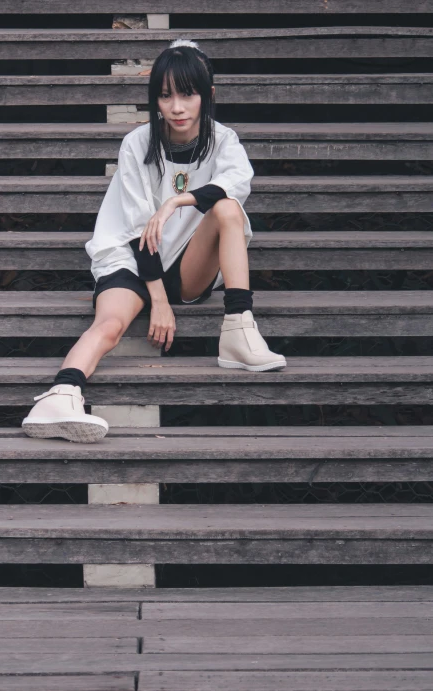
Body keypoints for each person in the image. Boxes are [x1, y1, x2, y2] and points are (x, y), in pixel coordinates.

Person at [22, 38, 286, 444]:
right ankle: (60, 396)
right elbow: (134, 231)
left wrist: (178, 201)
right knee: (110, 324)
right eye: (165, 96)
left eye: (188, 94)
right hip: (129, 259)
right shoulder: (137, 144)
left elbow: (236, 184)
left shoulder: (224, 140)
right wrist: (159, 302)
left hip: (186, 265)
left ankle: (238, 330)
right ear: (154, 100)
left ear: (207, 95)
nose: (177, 107)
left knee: (228, 209)